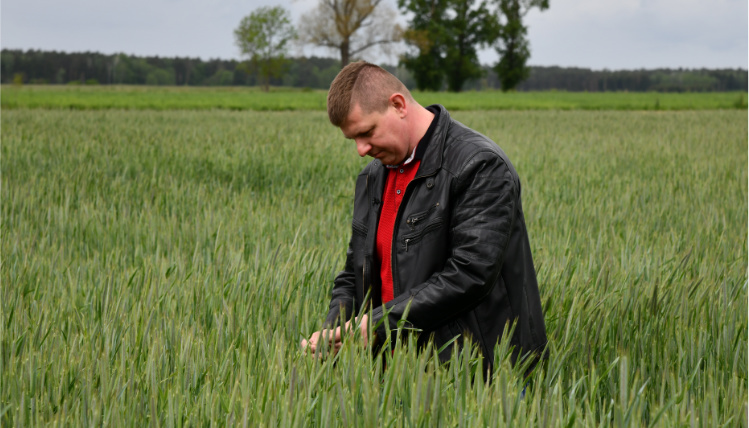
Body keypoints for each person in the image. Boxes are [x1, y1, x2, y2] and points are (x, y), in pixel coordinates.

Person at [301, 61, 547, 375]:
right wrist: (334, 330)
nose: (360, 150)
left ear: (398, 105)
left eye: (366, 133)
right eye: (353, 140)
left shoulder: (480, 165)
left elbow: (469, 274)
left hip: (479, 376)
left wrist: (377, 324)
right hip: (396, 377)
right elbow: (354, 272)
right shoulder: (371, 178)